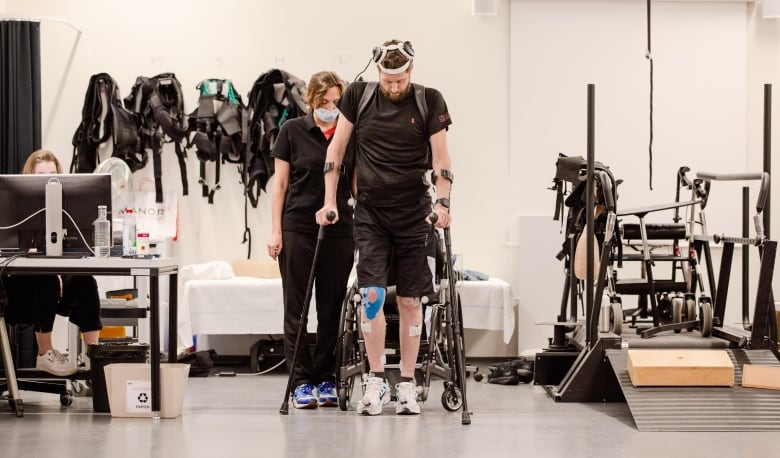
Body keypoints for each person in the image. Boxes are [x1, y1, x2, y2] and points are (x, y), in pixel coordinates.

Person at [316, 40, 453, 416]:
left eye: (401, 79)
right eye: (388, 80)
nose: (394, 87)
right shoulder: (358, 96)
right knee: (372, 296)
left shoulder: (430, 100)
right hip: (371, 213)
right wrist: (330, 201)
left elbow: (441, 159)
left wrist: (443, 203)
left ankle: (407, 383)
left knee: (411, 300)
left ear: (411, 71)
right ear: (378, 73)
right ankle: (375, 380)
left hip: (414, 214)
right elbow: (336, 151)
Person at [267, 71, 355, 409]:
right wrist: (275, 230)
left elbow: (357, 184)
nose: (331, 108)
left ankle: (325, 377)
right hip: (298, 227)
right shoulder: (291, 131)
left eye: (336, 102)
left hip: (340, 230)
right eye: (325, 103)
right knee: (298, 308)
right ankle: (301, 382)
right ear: (312, 101)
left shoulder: (350, 135)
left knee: (331, 308)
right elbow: (279, 186)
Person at [1, 149, 102, 376]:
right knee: (45, 278)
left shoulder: (69, 206)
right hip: (18, 293)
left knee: (84, 282)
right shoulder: (14, 205)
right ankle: (44, 354)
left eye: (52, 174)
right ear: (29, 177)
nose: (47, 180)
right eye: (41, 174)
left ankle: (94, 356)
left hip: (54, 285)